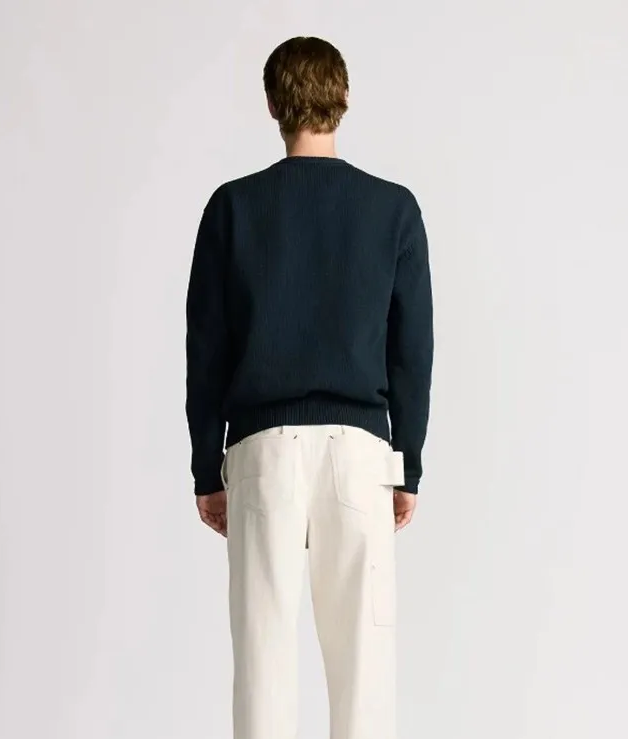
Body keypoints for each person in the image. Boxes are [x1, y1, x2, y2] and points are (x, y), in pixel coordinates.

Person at [185, 36, 433, 739]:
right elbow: (411, 350)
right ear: (343, 99)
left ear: (272, 105)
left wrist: (206, 467)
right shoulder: (392, 209)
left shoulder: (233, 208)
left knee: (263, 663)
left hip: (262, 452)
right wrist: (407, 464)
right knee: (364, 672)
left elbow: (205, 348)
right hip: (359, 454)